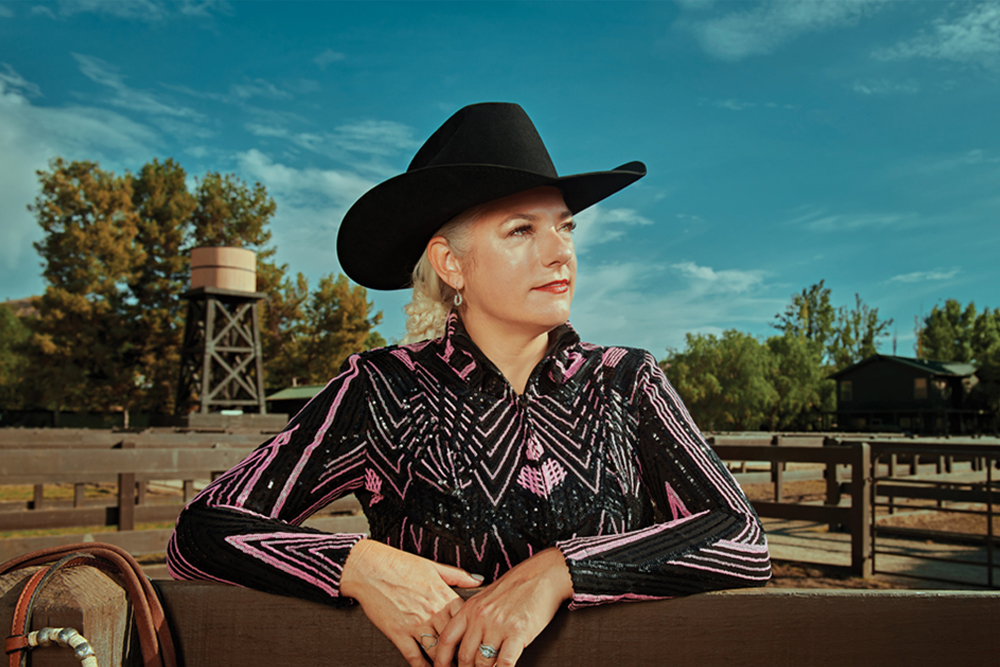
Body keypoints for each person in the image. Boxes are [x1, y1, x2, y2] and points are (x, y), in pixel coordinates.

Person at [167, 102, 770, 667]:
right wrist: (356, 563)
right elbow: (200, 531)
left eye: (565, 228)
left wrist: (559, 572)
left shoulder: (626, 380)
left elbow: (740, 538)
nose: (560, 253)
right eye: (520, 230)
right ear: (451, 263)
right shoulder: (381, 390)